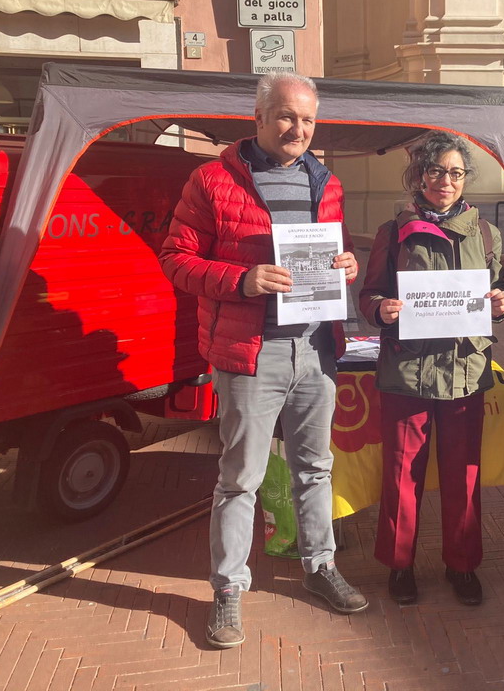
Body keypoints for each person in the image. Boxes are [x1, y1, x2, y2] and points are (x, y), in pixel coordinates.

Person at [159, 71, 368, 650]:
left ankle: (320, 565)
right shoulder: (212, 180)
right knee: (240, 479)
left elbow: (335, 248)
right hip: (251, 355)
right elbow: (175, 258)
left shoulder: (326, 181)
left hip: (316, 350)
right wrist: (242, 279)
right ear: (258, 118)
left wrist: (348, 264)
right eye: (287, 116)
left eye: (308, 119)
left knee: (315, 468)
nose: (298, 129)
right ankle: (228, 588)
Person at [358, 131, 504, 607]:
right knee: (402, 474)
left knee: (464, 475)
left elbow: (497, 288)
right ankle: (399, 564)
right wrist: (380, 309)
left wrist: (501, 304)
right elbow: (370, 294)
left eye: (456, 173)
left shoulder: (487, 234)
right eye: (437, 171)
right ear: (420, 175)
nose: (447, 180)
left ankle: (462, 565)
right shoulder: (392, 232)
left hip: (465, 371)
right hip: (408, 371)